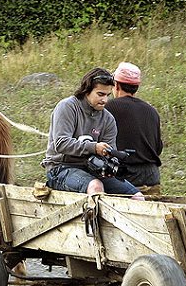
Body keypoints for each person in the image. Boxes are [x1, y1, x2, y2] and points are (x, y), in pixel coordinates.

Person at [42, 67, 145, 200]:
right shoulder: (68, 107)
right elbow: (61, 144)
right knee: (95, 187)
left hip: (93, 170)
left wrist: (111, 160)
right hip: (60, 168)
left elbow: (110, 150)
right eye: (100, 94)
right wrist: (94, 147)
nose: (105, 100)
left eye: (108, 95)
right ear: (86, 91)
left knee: (137, 197)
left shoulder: (108, 119)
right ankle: (94, 220)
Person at [105, 62, 163, 195]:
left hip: (125, 181)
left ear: (116, 85)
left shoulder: (108, 109)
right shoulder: (152, 111)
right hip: (152, 178)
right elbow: (158, 148)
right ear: (136, 87)